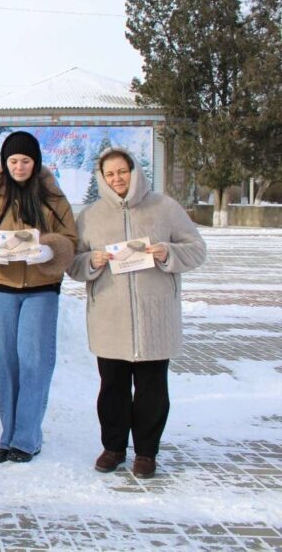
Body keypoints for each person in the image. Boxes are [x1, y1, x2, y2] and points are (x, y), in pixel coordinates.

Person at [68, 147, 206, 478]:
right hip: (110, 317)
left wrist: (168, 252)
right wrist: (92, 261)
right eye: (109, 174)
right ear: (101, 178)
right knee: (112, 386)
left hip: (155, 316)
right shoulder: (90, 216)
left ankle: (146, 452)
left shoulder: (165, 208)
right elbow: (72, 264)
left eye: (122, 171)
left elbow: (197, 250)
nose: (117, 178)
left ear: (135, 171)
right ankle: (113, 448)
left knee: (152, 388)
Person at [0, 131, 77, 464]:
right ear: (4, 162)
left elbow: (70, 239)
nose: (19, 166)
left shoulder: (53, 199)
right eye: (13, 160)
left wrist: (49, 251)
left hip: (42, 290)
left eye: (25, 160)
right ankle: (8, 436)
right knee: (7, 365)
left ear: (35, 162)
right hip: (4, 288)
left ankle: (27, 439)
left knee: (34, 361)